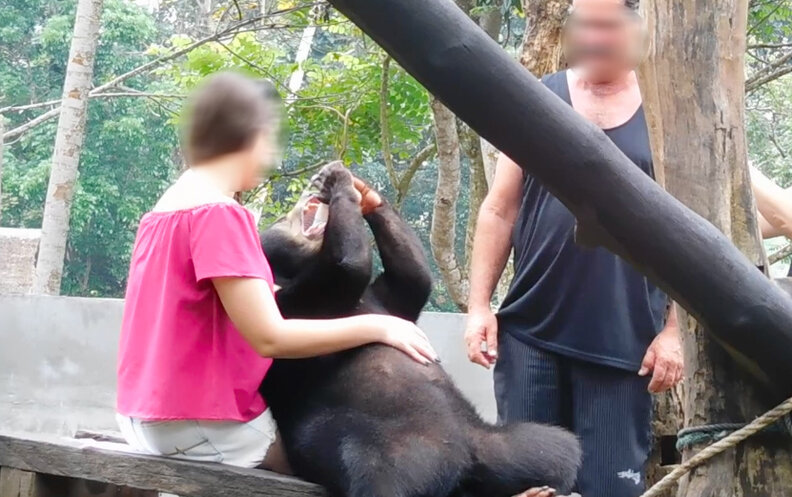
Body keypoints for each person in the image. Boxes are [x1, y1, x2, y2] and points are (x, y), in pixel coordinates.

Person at [115, 72, 438, 472]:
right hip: (204, 422)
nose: (273, 156)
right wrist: (381, 328)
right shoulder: (220, 215)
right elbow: (270, 337)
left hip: (143, 416)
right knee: (363, 462)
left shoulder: (166, 210)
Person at [465, 1, 683, 496]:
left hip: (625, 343)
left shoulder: (667, 110)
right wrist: (480, 306)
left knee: (607, 488)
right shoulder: (541, 98)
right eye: (584, 24)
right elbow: (500, 209)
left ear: (637, 31)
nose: (594, 37)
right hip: (530, 334)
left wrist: (676, 333)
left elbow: (702, 230)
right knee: (521, 486)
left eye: (607, 26)